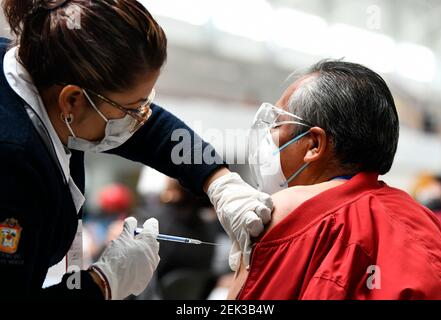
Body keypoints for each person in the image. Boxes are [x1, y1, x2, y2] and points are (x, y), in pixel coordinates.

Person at [0, 0, 272, 299]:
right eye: (131, 109)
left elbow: (155, 131)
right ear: (73, 101)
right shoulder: (13, 159)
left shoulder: (46, 76)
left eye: (145, 103)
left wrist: (219, 180)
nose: (141, 118)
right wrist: (102, 282)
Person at [228, 60, 441, 300]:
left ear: (314, 144)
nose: (268, 136)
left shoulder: (288, 223)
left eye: (277, 124)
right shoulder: (420, 224)